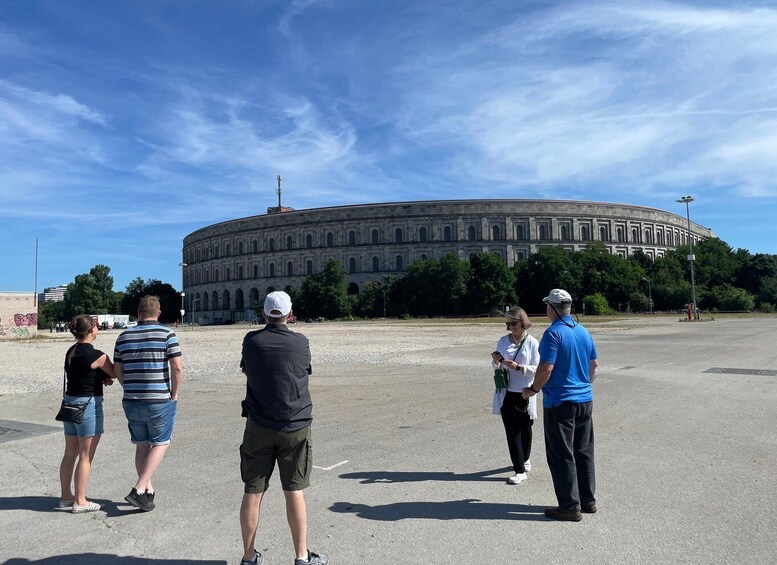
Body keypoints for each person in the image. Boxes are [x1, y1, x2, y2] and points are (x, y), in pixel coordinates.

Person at [238, 291, 328, 565]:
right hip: (296, 425)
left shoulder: (251, 341)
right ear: (290, 314)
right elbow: (304, 370)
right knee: (294, 490)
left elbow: (248, 370)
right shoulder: (301, 341)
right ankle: (301, 556)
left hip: (259, 425)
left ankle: (249, 556)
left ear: (264, 314)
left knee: (253, 491)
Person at [523, 289, 599, 522]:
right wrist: (583, 385)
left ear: (552, 308)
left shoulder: (553, 333)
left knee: (561, 454)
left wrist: (533, 390)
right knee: (583, 451)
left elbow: (546, 368)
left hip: (560, 403)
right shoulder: (583, 332)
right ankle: (588, 500)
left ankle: (569, 506)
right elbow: (594, 365)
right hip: (584, 400)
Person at [114, 295, 182, 512]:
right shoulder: (167, 334)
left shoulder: (123, 336)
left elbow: (118, 369)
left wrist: (128, 387)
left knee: (142, 444)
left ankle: (148, 492)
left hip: (132, 400)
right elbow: (177, 367)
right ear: (159, 313)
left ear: (138, 312)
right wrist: (174, 394)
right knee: (161, 442)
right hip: (158, 399)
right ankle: (139, 488)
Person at [58, 314, 115, 513]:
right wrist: (104, 377)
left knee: (69, 453)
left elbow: (81, 374)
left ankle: (66, 496)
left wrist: (99, 378)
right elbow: (114, 372)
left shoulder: (71, 351)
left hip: (70, 403)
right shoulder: (97, 355)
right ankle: (80, 501)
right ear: (91, 330)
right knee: (85, 455)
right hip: (88, 405)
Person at [490, 307, 540, 485]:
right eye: (508, 323)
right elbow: (497, 367)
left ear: (523, 322)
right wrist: (497, 361)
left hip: (526, 392)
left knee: (526, 429)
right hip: (508, 392)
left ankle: (525, 459)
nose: (511, 327)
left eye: (514, 323)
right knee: (512, 432)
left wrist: (518, 367)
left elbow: (538, 369)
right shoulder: (503, 341)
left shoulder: (532, 342)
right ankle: (519, 470)